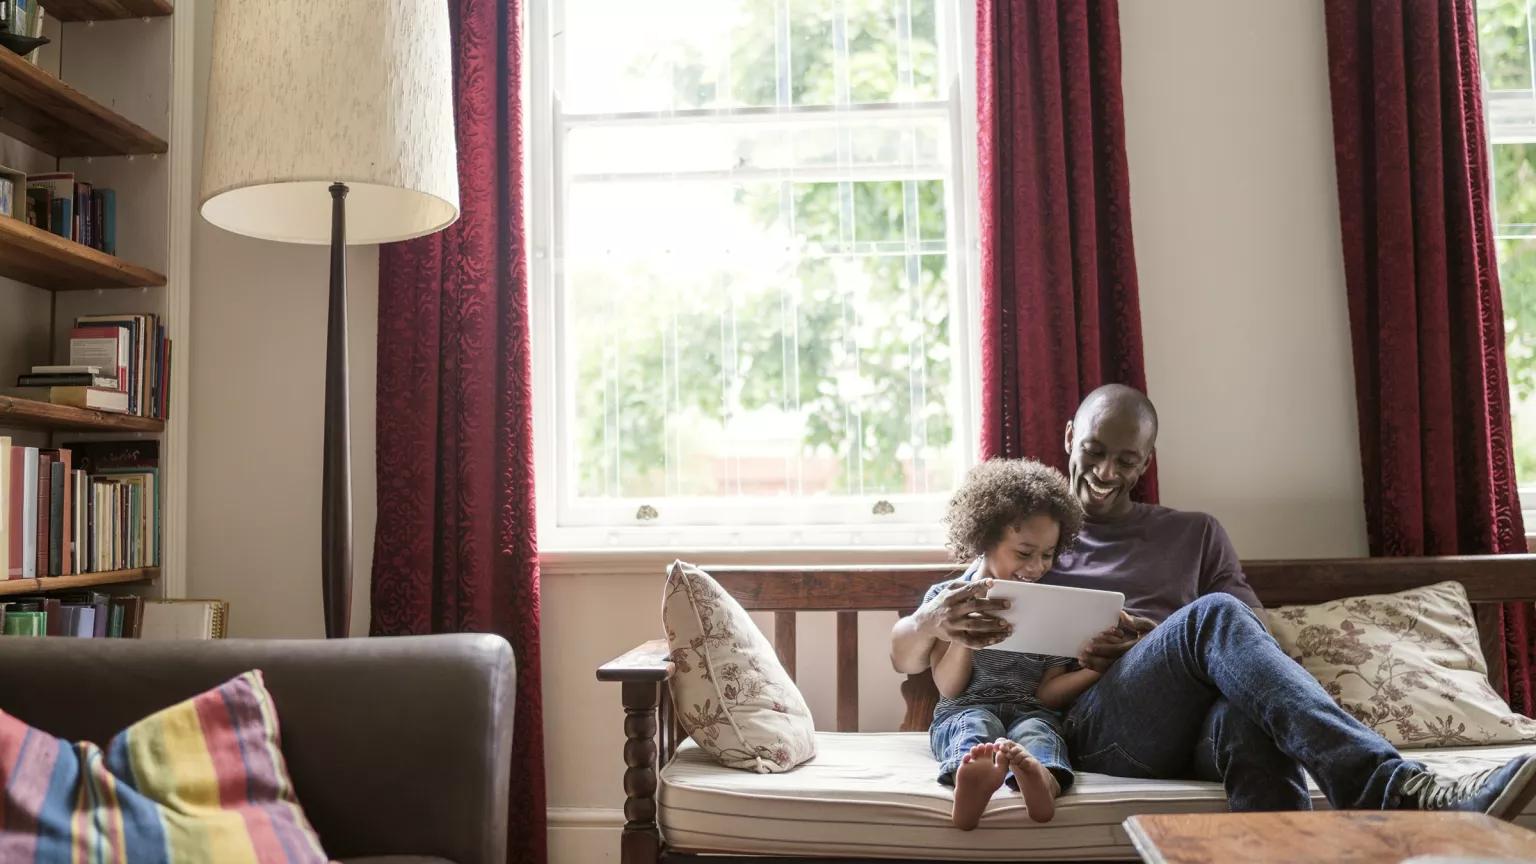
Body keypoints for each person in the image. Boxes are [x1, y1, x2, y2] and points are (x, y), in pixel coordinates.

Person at [891, 384, 1536, 816]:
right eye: (1093, 450)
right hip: (1094, 726)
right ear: (1068, 438)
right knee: (1213, 618)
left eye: (1125, 457)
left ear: (1147, 460)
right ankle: (1394, 786)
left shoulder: (1194, 533)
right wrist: (936, 620)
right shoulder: (1033, 540)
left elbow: (1255, 636)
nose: (1106, 471)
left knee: (1246, 717)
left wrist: (1152, 639)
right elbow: (918, 658)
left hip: (1195, 718)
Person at [926, 459, 1098, 829]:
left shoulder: (1051, 607)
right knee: (976, 723)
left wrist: (1095, 669)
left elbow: (1049, 694)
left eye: (1047, 554)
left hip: (1030, 710)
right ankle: (969, 781)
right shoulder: (947, 600)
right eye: (1023, 553)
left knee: (1038, 730)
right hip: (964, 709)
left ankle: (1042, 780)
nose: (1036, 567)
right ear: (985, 539)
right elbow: (948, 688)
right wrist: (966, 635)